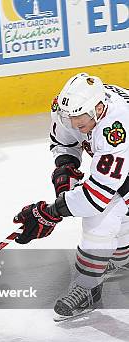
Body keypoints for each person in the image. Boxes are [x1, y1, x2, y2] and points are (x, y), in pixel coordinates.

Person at [12, 73, 129, 321]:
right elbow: (64, 143)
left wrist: (51, 211)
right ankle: (119, 257)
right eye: (70, 119)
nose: (75, 125)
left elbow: (97, 196)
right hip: (120, 169)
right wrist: (66, 171)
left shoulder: (116, 126)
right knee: (118, 236)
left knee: (100, 220)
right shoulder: (69, 108)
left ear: (99, 109)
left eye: (81, 122)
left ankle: (86, 289)